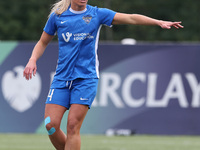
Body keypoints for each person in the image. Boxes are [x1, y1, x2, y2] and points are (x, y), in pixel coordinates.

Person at [23, 0, 183, 149]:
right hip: (61, 79)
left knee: (72, 126)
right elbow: (43, 42)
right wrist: (32, 59)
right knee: (51, 125)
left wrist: (158, 22)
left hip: (86, 79)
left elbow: (131, 18)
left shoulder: (97, 14)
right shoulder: (57, 16)